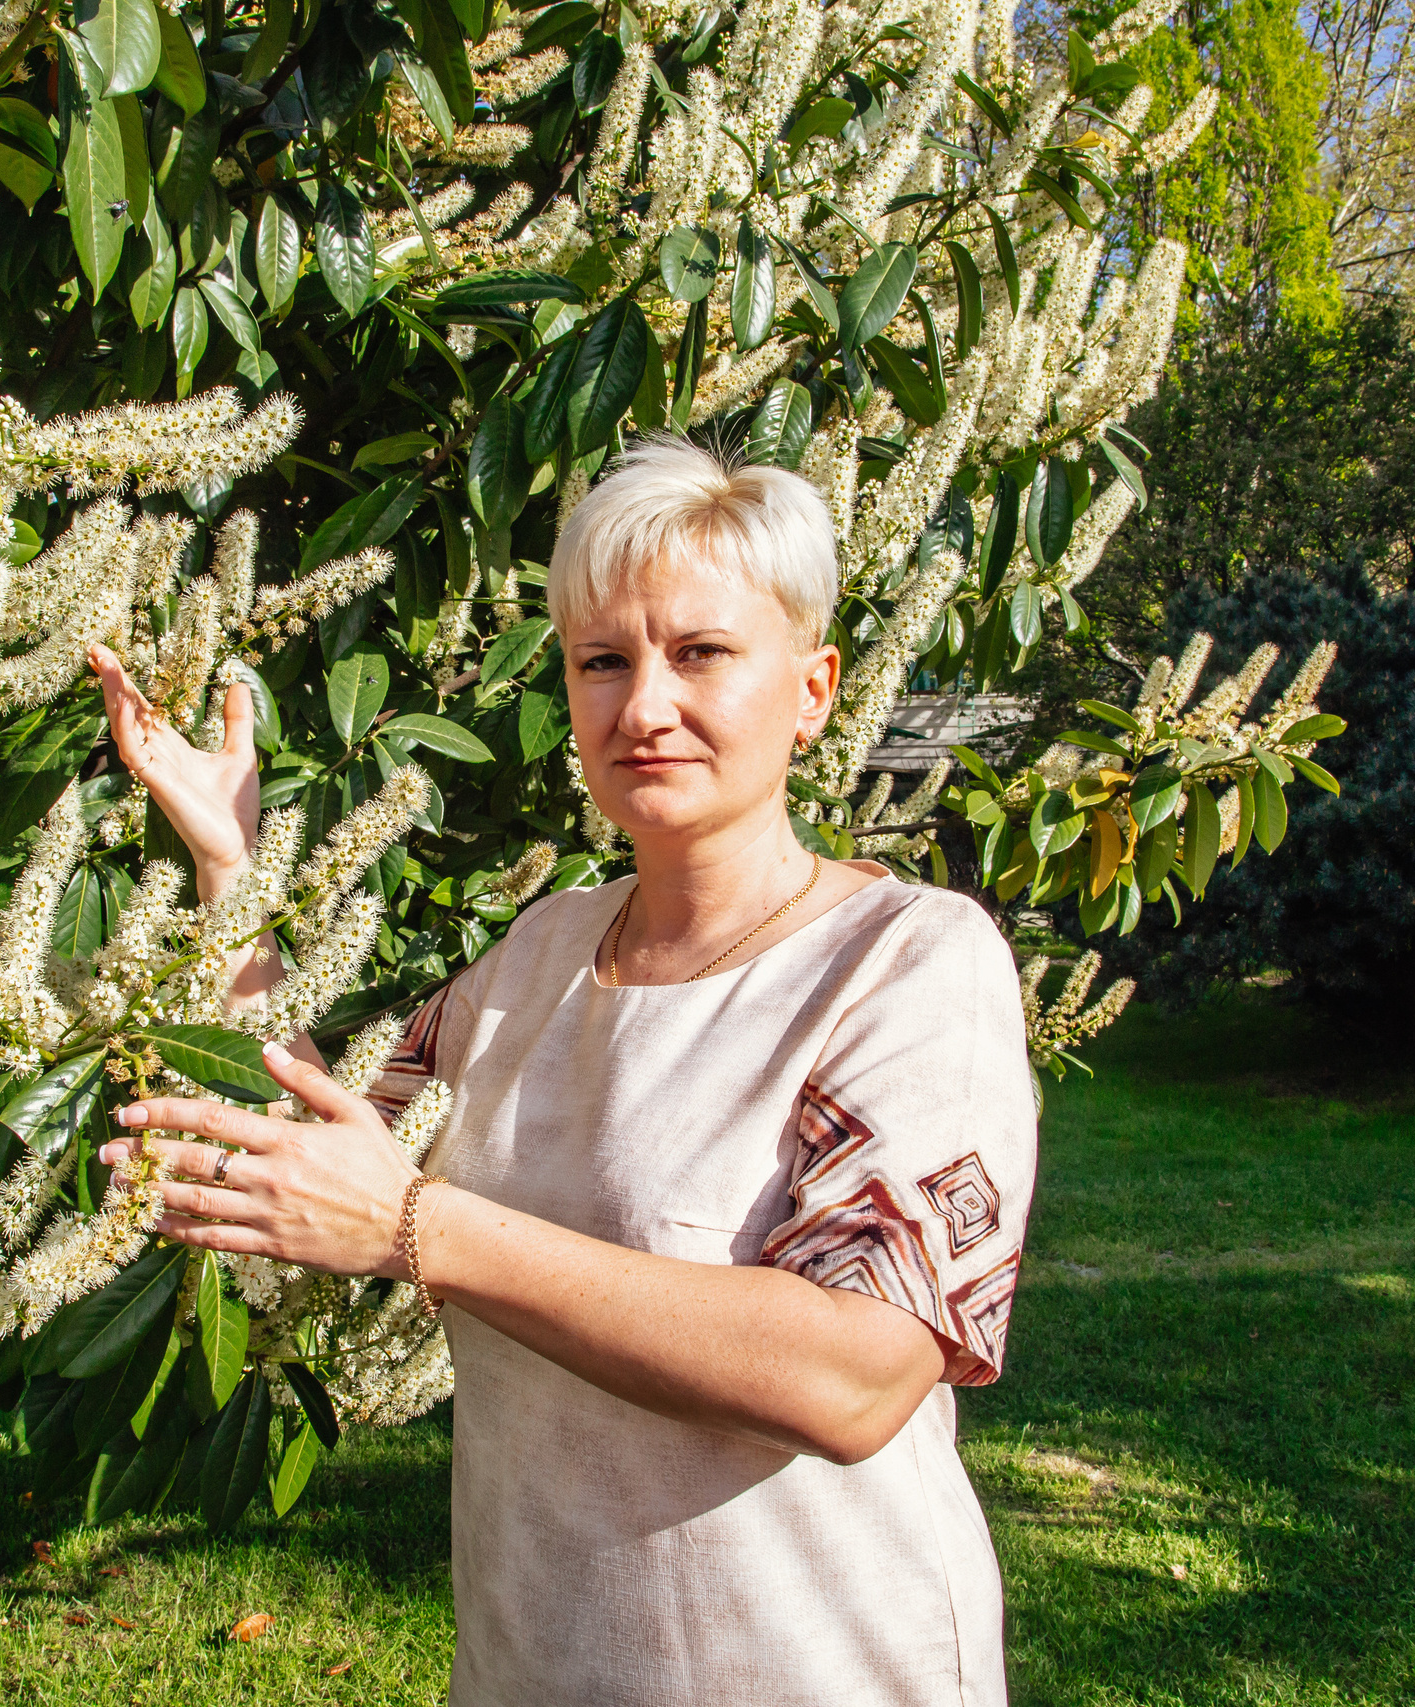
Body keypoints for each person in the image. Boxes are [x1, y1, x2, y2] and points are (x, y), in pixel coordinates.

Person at [89, 435, 1036, 1706]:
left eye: (700, 653)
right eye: (603, 661)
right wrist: (228, 870)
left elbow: (856, 1373)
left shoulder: (906, 961)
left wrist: (420, 1227)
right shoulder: (540, 951)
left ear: (812, 689)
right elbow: (325, 1144)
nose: (643, 706)